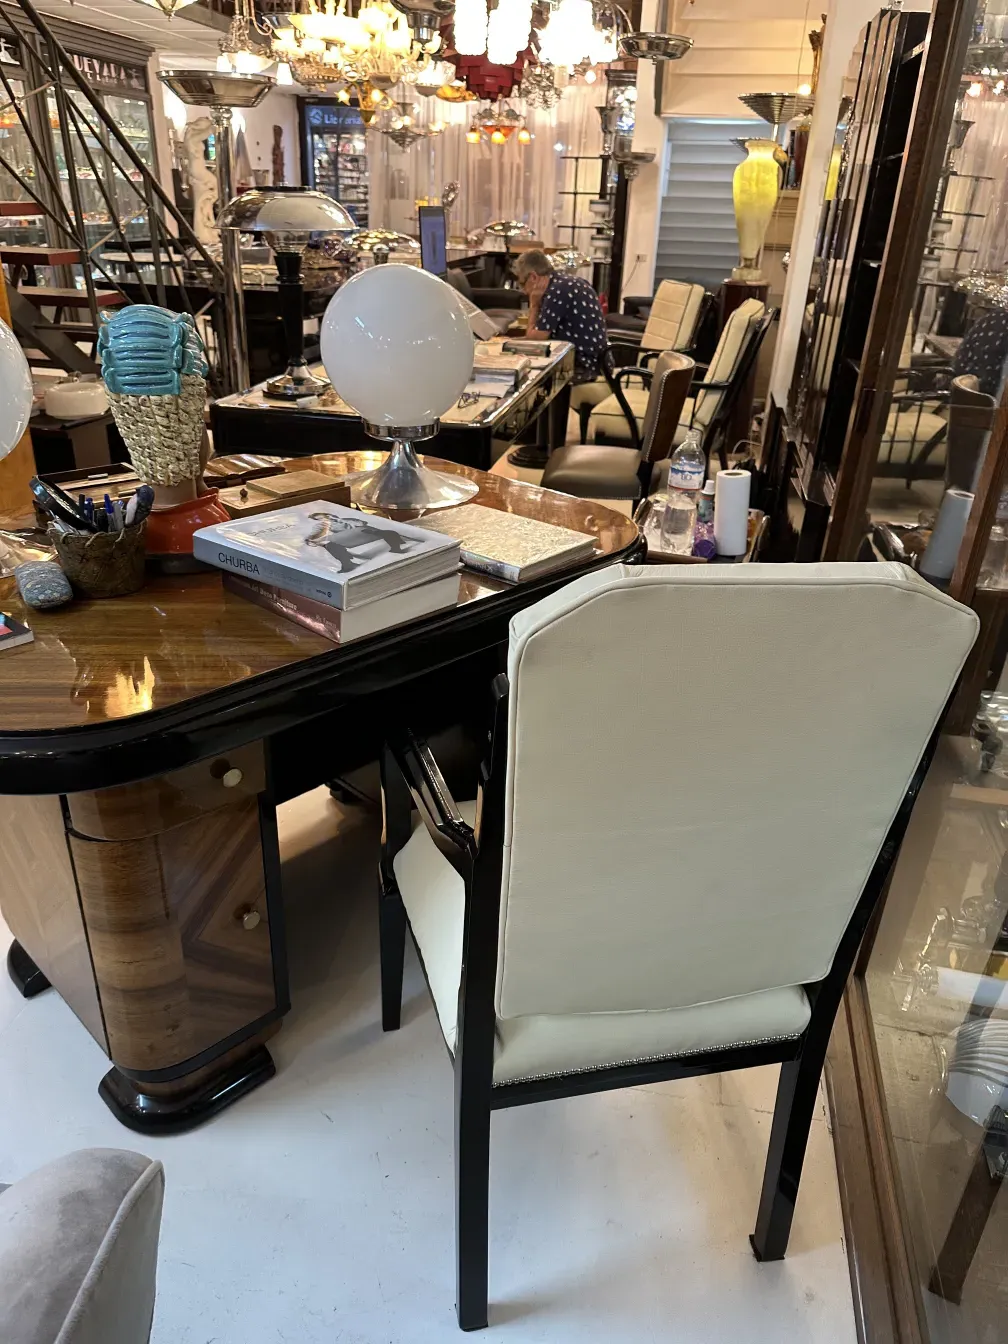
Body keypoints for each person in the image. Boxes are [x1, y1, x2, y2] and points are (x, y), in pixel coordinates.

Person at [514, 249, 607, 382]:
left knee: (525, 375)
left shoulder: (557, 290)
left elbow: (535, 339)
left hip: (583, 367)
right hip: (597, 362)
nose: (523, 290)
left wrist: (534, 304)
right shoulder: (566, 282)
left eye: (523, 283)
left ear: (533, 277)